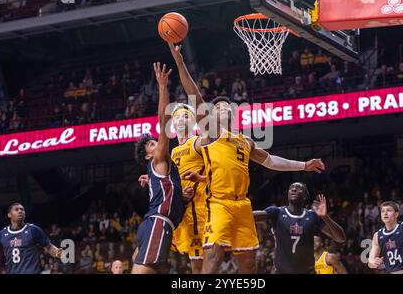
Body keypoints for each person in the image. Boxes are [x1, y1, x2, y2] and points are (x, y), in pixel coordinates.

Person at [169, 43, 325, 274]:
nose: (225, 109)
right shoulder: (212, 134)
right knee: (212, 254)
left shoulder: (245, 141)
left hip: (242, 204)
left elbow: (270, 161)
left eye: (227, 107)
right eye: (219, 107)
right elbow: (195, 96)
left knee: (248, 263)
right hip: (219, 202)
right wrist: (181, 63)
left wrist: (304, 165)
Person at [131, 63, 184, 274]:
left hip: (154, 225)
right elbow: (164, 123)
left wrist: (183, 196)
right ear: (148, 155)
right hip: (157, 225)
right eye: (152, 144)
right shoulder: (159, 160)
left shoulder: (159, 172)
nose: (157, 143)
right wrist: (163, 87)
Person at [253, 183, 346, 274]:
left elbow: (341, 238)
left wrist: (325, 217)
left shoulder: (312, 215)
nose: (294, 189)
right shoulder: (277, 212)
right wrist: (240, 208)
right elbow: (251, 216)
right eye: (291, 188)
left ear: (305, 196)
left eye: (299, 188)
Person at [169, 103, 207, 274]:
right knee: (194, 262)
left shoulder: (199, 142)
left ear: (194, 122)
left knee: (203, 263)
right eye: (177, 117)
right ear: (173, 124)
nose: (181, 120)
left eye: (185, 116)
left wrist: (200, 179)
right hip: (182, 210)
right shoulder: (173, 152)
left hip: (200, 208)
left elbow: (218, 171)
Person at [0, 203, 63, 274]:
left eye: (22, 210)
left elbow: (49, 247)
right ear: (9, 215)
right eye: (16, 209)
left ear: (25, 215)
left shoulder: (34, 230)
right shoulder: (1, 234)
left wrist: (56, 253)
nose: (20, 211)